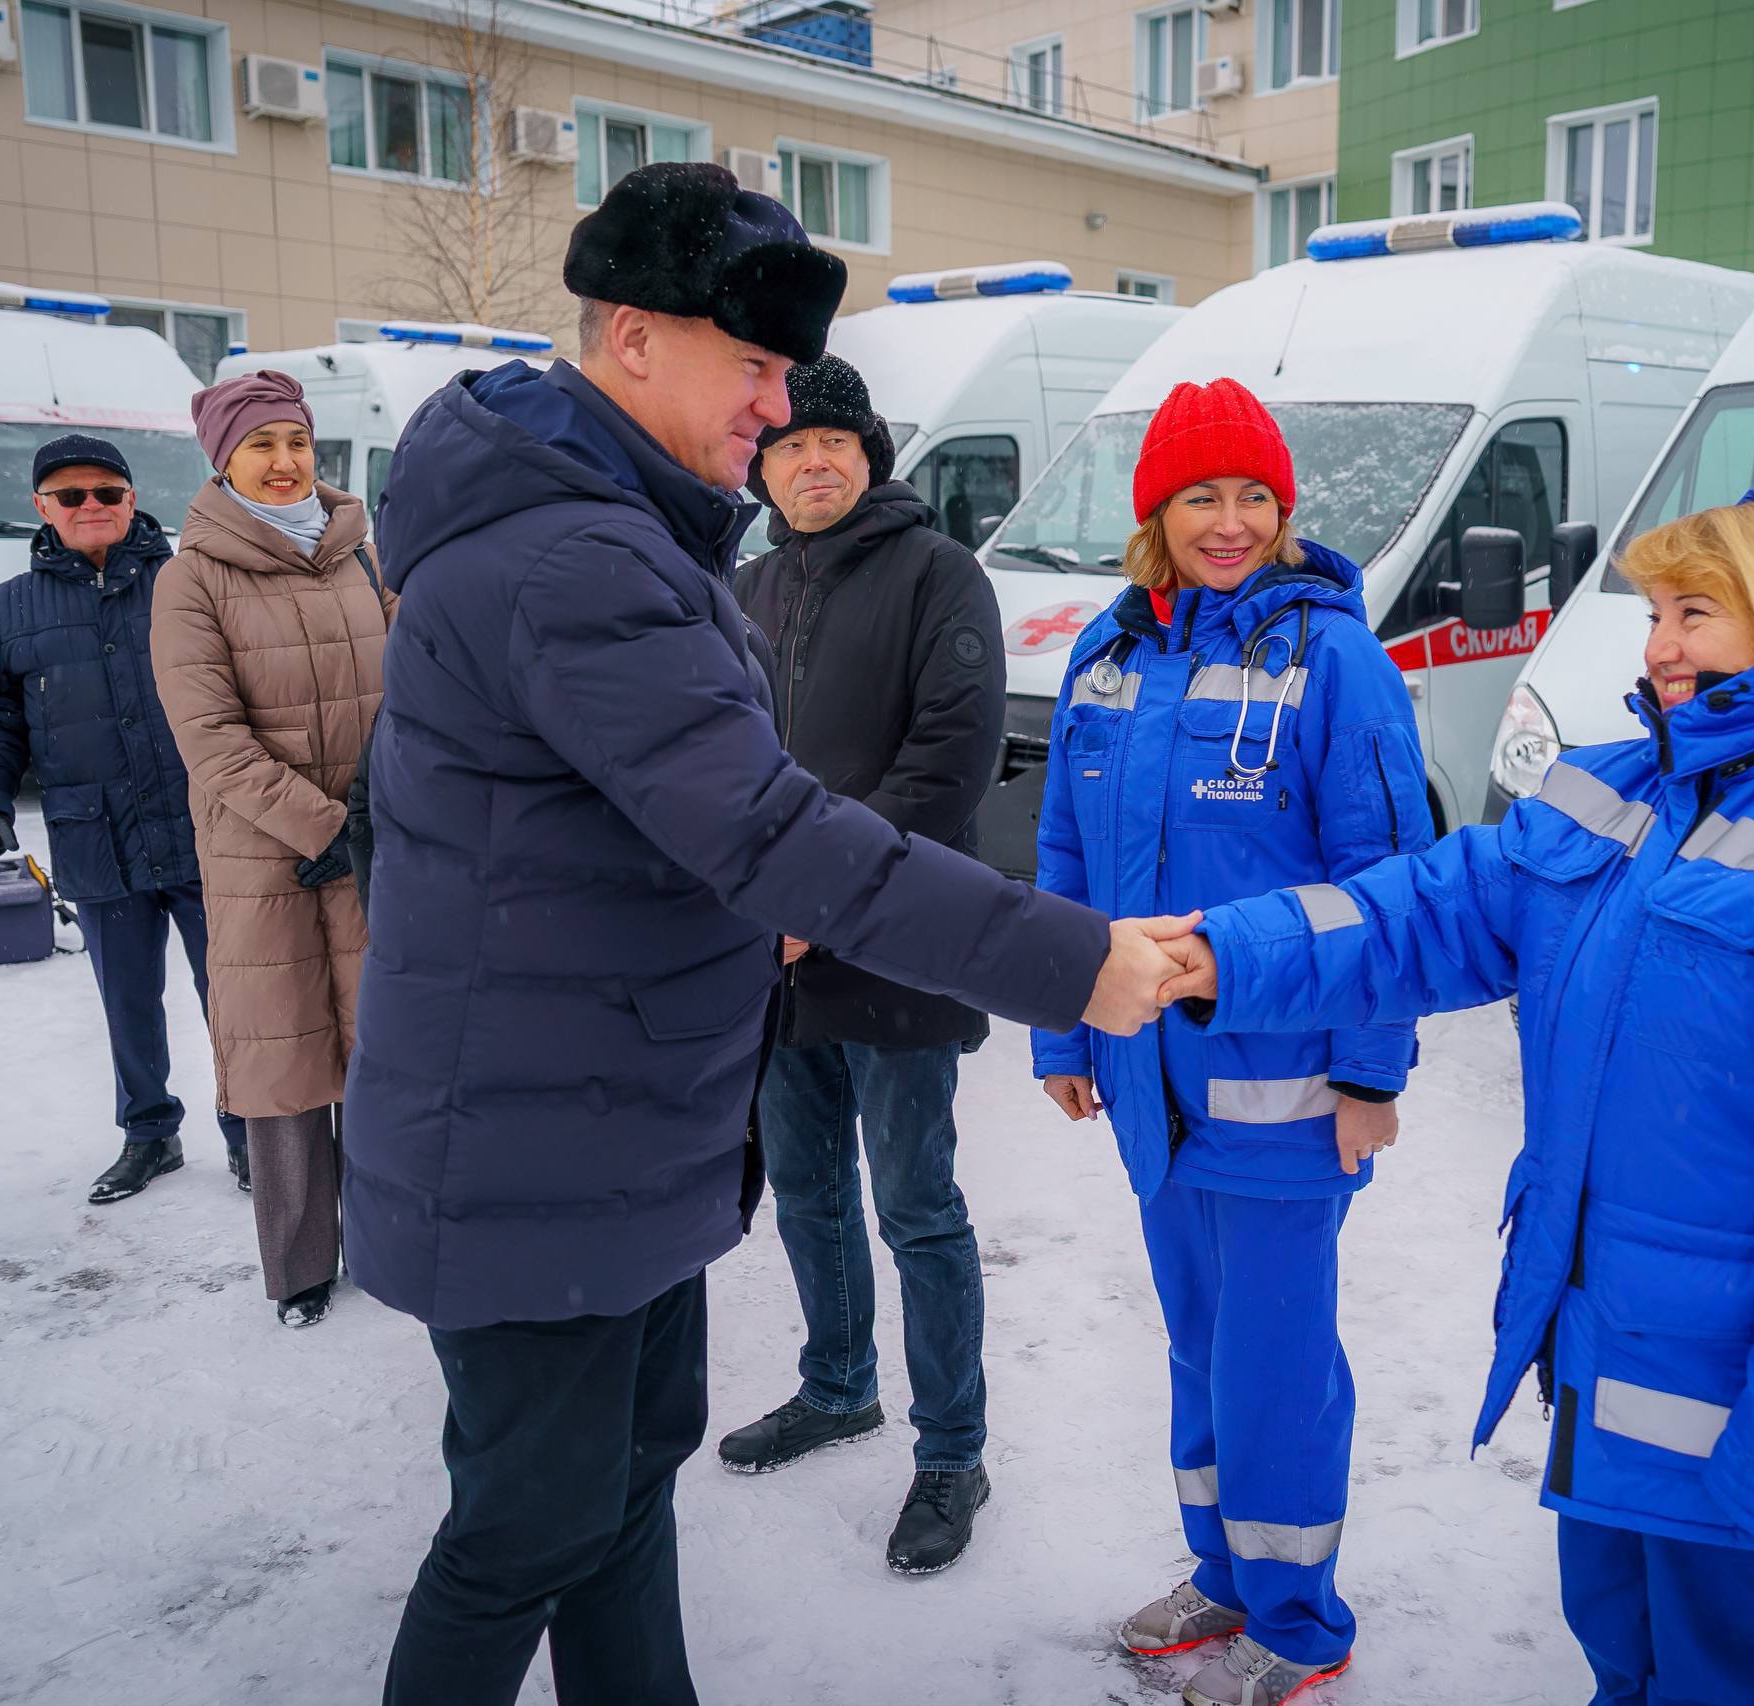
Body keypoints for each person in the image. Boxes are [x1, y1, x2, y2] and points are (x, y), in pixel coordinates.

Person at [345, 162, 1186, 1706]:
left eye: (791, 373)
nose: (775, 404)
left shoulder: (623, 526)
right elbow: (775, 828)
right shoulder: (569, 557)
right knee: (525, 1527)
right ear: (634, 338)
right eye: (753, 367)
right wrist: (1077, 958)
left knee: (620, 1494)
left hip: (605, 1132)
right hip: (532, 1145)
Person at [1155, 487, 1754, 1706]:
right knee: (1620, 1659)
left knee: (1724, 1680)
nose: (1660, 647)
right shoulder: (1615, 792)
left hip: (1751, 1423)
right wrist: (1219, 949)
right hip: (1611, 1373)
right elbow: (1420, 910)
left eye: (1697, 612)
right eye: (1653, 613)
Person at [1032, 378, 1432, 1706]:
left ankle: (1303, 1621)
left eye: (1254, 493)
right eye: (1201, 494)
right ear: (1155, 508)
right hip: (1154, 1092)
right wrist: (1062, 1031)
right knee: (1199, 1345)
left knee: (1276, 1366)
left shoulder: (1336, 664)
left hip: (1289, 1091)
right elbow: (1065, 860)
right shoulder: (1109, 655)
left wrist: (1374, 1073)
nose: (1230, 520)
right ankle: (1223, 1569)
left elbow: (1393, 888)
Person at [721, 354, 1009, 1573]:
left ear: (870, 457)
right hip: (774, 961)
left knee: (915, 1205)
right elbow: (706, 755)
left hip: (895, 946)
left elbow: (950, 761)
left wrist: (819, 896)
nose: (814, 461)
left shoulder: (940, 575)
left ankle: (952, 1450)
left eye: (835, 442)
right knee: (807, 1190)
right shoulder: (739, 585)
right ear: (766, 465)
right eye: (791, 445)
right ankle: (836, 1383)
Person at [0, 434, 248, 1204]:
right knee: (126, 999)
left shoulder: (191, 582)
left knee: (238, 994)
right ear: (40, 507)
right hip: (97, 836)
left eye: (107, 493)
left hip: (204, 830)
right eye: (71, 495)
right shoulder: (11, 608)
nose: (91, 507)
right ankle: (149, 1132)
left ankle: (253, 1132)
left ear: (132, 499)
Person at [150, 371, 389, 1331]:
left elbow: (412, 694)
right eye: (263, 446)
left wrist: (376, 817)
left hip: (375, 846)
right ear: (224, 459)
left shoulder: (361, 557)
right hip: (267, 858)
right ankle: (298, 1269)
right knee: (283, 1059)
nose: (286, 462)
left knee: (378, 1051)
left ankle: (381, 1243)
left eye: (297, 442)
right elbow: (209, 737)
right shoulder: (191, 578)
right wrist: (322, 826)